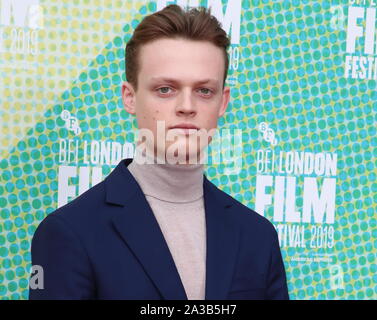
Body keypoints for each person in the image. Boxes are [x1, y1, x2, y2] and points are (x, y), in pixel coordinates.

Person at [29, 4, 289, 300]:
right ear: (129, 97)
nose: (187, 106)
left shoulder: (257, 236)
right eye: (166, 89)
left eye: (204, 90)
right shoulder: (70, 232)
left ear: (222, 102)